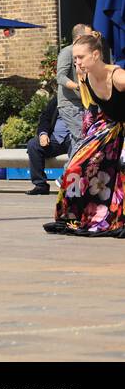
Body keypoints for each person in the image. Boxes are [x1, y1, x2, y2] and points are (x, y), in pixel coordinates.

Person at [44, 30, 125, 236]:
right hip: (109, 126)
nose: (76, 62)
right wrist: (87, 141)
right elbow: (91, 110)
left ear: (96, 55)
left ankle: (119, 221)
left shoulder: (118, 77)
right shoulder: (84, 76)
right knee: (75, 165)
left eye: (81, 57)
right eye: (74, 58)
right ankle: (69, 218)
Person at [54, 24, 91, 160]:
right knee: (84, 138)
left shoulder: (86, 54)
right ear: (80, 37)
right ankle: (68, 176)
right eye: (89, 35)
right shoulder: (67, 52)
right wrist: (79, 87)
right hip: (69, 105)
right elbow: (61, 77)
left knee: (78, 141)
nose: (92, 38)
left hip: (83, 104)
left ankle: (68, 177)